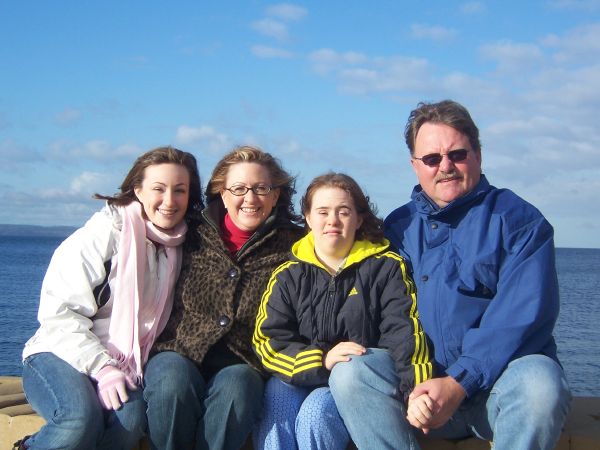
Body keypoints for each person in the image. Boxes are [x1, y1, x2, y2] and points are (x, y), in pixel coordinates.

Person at [337, 99, 572, 449]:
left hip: (495, 392)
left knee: (540, 385)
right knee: (351, 372)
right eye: (432, 158)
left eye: (457, 154)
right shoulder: (396, 229)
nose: (445, 166)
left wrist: (458, 383)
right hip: (417, 394)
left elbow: (520, 318)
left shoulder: (520, 222)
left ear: (478, 154)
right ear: (415, 165)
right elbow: (368, 308)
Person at [19, 146, 203, 450]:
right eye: (158, 188)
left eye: (179, 190)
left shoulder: (181, 244)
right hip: (59, 353)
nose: (169, 201)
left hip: (124, 364)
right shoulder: (103, 235)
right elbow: (59, 316)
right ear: (138, 190)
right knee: (78, 420)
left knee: (129, 423)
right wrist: (102, 367)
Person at [252, 172, 433, 450]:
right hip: (302, 372)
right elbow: (267, 340)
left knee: (315, 413)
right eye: (323, 212)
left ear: (359, 219)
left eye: (344, 212)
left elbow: (405, 335)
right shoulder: (288, 274)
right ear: (308, 218)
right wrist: (320, 360)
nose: (333, 220)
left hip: (353, 381)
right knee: (276, 396)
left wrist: (417, 391)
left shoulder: (385, 267)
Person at [147, 145, 303, 450]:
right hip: (178, 351)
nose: (250, 198)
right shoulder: (188, 232)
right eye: (239, 188)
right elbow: (136, 223)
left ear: (276, 195)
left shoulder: (296, 246)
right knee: (171, 385)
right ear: (222, 193)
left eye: (261, 188)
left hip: (246, 361)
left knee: (238, 389)